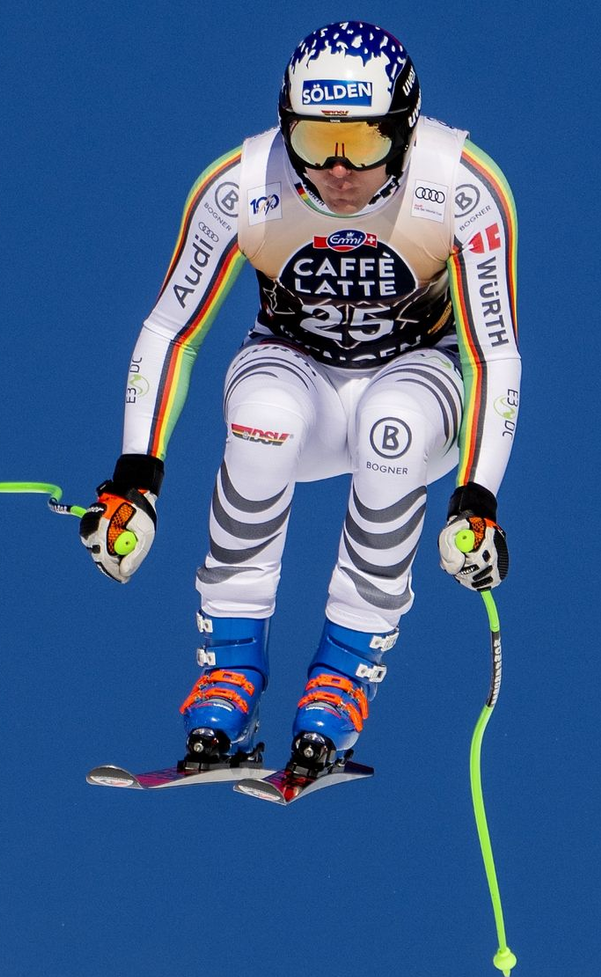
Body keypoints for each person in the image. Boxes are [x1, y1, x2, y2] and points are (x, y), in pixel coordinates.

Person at [79, 21, 518, 774]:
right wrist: (135, 483)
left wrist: (476, 499)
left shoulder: (463, 187)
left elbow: (492, 352)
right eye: (315, 142)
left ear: (406, 131)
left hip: (418, 373)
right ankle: (230, 668)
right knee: (262, 418)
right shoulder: (243, 186)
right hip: (297, 372)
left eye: (365, 143)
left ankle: (343, 676)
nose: (339, 171)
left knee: (393, 428)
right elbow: (171, 331)